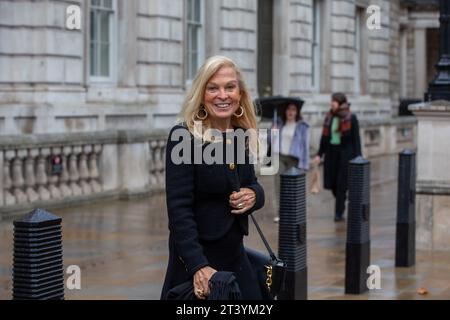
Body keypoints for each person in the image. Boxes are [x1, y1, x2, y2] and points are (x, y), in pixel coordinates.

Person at [161, 55, 265, 300]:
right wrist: (198, 266)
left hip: (235, 256)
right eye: (213, 88)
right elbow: (178, 210)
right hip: (199, 261)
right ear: (202, 93)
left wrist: (254, 196)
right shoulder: (183, 137)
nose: (223, 95)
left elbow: (252, 184)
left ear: (240, 94)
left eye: (230, 87)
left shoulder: (240, 134)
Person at [313, 92, 362, 222]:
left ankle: (338, 213)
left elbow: (356, 140)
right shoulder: (329, 117)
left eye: (333, 101)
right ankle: (341, 199)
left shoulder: (351, 118)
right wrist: (319, 154)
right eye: (331, 101)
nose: (331, 104)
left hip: (345, 154)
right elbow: (324, 138)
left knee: (341, 184)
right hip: (331, 153)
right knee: (332, 183)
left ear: (340, 103)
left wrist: (359, 158)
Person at [272, 103, 310, 223]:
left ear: (297, 112)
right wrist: (272, 132)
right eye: (288, 109)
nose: (290, 112)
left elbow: (305, 146)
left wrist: (304, 164)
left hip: (294, 159)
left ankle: (293, 212)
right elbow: (269, 141)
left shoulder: (302, 126)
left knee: (293, 187)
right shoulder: (278, 123)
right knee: (278, 185)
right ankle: (279, 213)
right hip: (280, 157)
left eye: (293, 109)